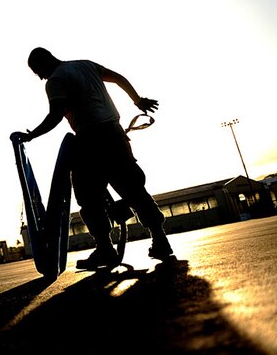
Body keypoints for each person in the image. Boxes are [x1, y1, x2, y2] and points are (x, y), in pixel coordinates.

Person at [12, 47, 173, 269]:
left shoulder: (56, 80)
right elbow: (118, 78)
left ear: (43, 64)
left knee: (88, 197)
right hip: (116, 134)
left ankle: (105, 249)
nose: (40, 78)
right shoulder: (85, 65)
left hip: (90, 140)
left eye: (37, 71)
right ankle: (160, 239)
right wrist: (137, 100)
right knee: (133, 188)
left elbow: (56, 114)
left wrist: (31, 135)